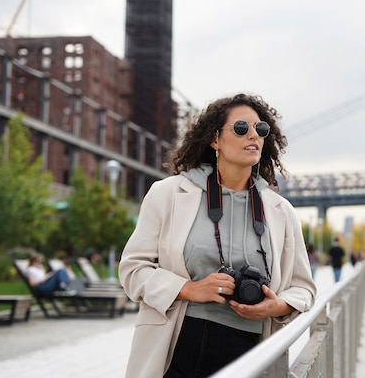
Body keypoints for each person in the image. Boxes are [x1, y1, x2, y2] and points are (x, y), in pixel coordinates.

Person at [119, 93, 317, 378]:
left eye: (261, 130)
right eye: (241, 128)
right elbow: (132, 270)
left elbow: (304, 288)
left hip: (250, 350)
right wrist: (191, 289)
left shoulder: (280, 211)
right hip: (175, 343)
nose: (253, 136)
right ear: (215, 140)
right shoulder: (169, 194)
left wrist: (276, 306)